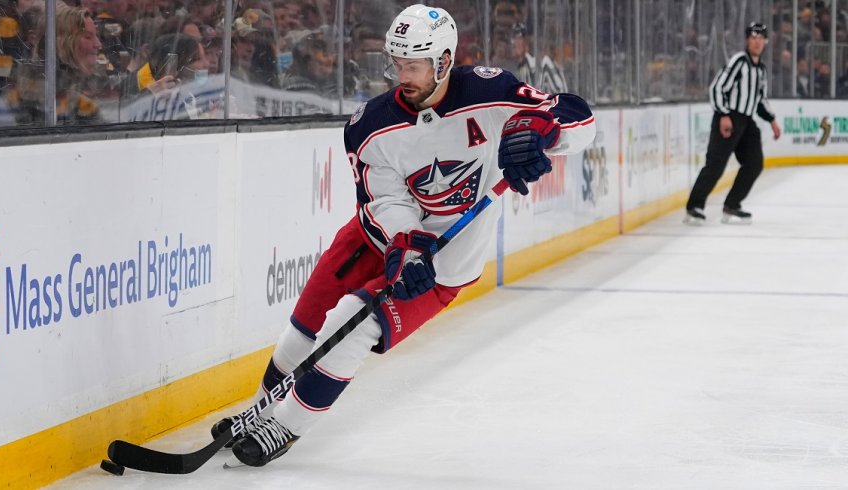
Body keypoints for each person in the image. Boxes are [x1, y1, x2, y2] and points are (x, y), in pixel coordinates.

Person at [214, 4, 595, 468]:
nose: (402, 75)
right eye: (396, 64)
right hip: (376, 237)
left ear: (443, 61)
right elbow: (385, 200)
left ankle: (284, 426)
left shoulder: (489, 91)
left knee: (353, 322)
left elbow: (575, 116)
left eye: (412, 65)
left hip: (448, 263)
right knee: (302, 328)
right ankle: (261, 408)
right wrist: (406, 243)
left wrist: (538, 133)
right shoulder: (369, 126)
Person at [684, 22, 781, 225]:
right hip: (729, 118)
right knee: (716, 165)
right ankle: (694, 207)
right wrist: (724, 114)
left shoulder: (761, 70)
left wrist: (772, 120)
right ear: (747, 40)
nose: (757, 42)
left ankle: (732, 204)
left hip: (746, 121)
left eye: (760, 38)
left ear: (765, 42)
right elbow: (717, 88)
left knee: (754, 163)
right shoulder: (739, 62)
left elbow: (760, 100)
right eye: (753, 37)